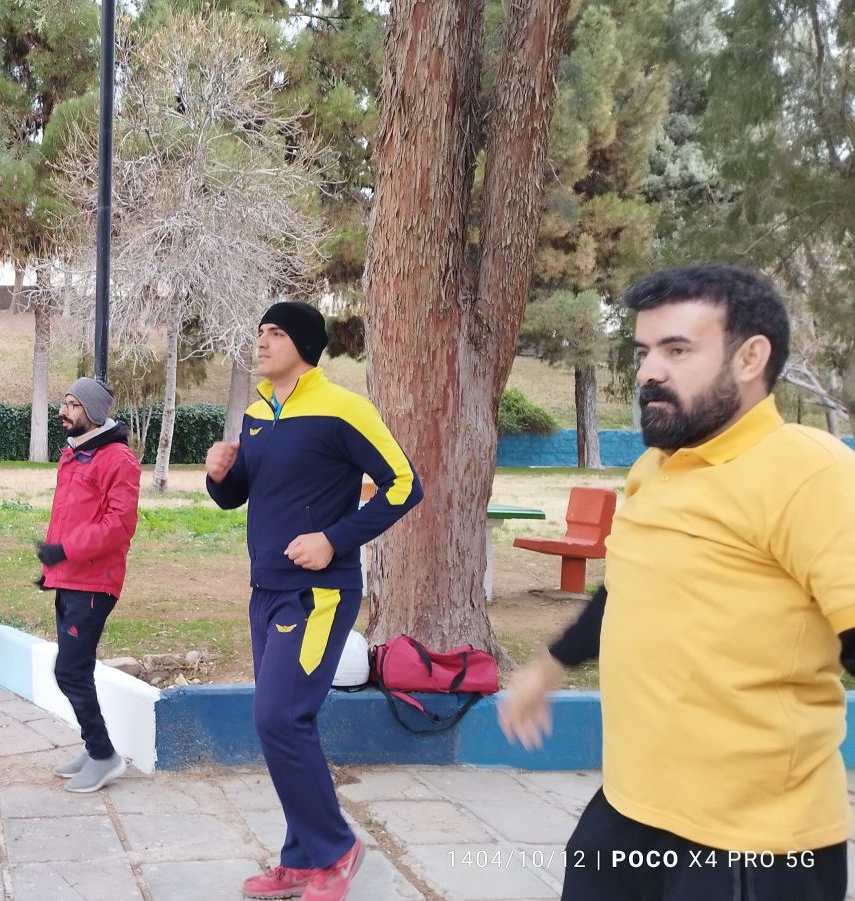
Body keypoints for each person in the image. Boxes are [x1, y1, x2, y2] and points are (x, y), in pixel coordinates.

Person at [498, 265, 855, 901]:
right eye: (643, 352)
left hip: (753, 842)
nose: (648, 372)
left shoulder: (811, 473)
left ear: (750, 358)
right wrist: (550, 665)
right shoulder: (653, 469)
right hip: (629, 807)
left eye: (677, 350)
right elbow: (627, 591)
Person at [205, 302, 422, 901]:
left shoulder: (343, 408)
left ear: (304, 343)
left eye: (275, 333)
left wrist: (334, 539)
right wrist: (220, 475)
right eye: (259, 332)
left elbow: (405, 483)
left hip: (318, 594)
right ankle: (301, 859)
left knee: (278, 717)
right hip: (266, 589)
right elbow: (241, 495)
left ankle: (335, 850)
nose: (262, 341)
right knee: (284, 722)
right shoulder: (257, 413)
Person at [38, 377, 139, 794]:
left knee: (70, 670)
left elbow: (119, 526)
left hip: (95, 582)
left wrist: (64, 551)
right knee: (74, 669)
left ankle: (103, 755)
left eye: (72, 404)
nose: (63, 411)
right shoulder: (76, 454)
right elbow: (72, 517)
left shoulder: (117, 459)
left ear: (93, 413)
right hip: (71, 577)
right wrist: (53, 567)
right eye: (64, 403)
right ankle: (94, 747)